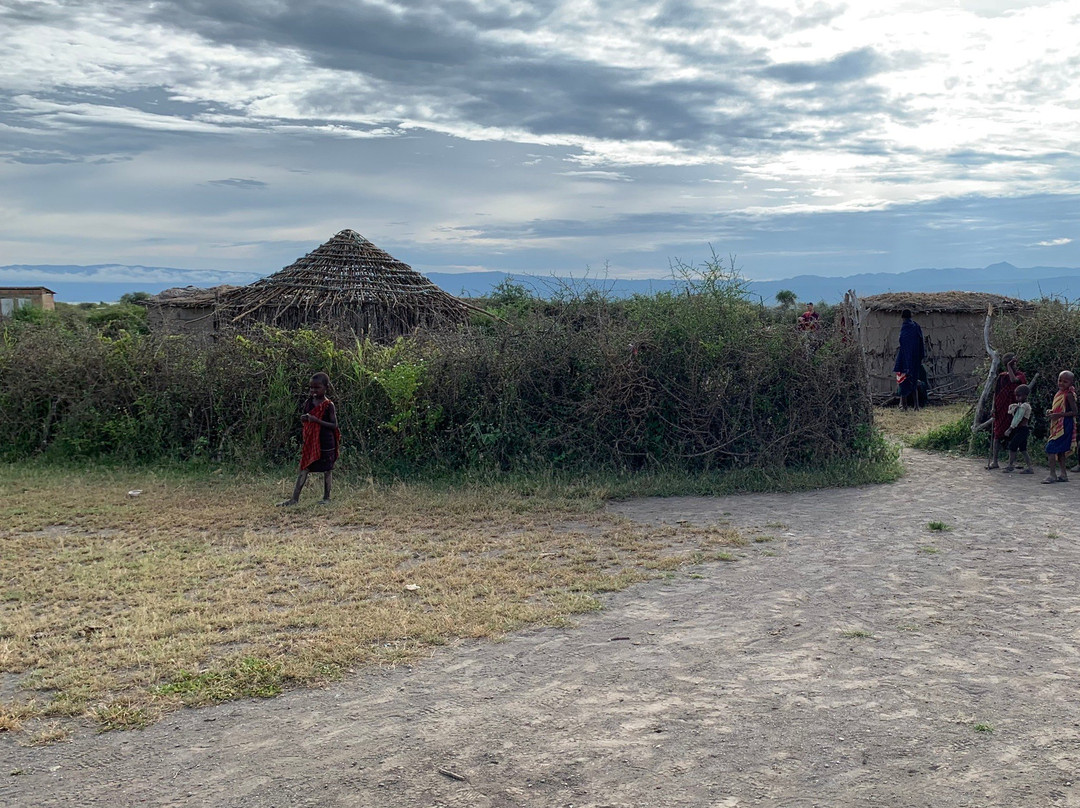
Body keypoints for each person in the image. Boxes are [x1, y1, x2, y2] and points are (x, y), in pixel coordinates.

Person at [279, 372, 341, 505]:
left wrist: (316, 420)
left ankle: (326, 498)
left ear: (326, 387)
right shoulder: (309, 402)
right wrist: (305, 419)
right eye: (311, 388)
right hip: (312, 441)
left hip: (326, 442)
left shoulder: (328, 405)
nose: (313, 391)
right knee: (305, 467)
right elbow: (306, 418)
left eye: (317, 388)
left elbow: (334, 425)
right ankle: (294, 499)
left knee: (327, 470)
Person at [987, 353, 1027, 470]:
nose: (1015, 366)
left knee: (1014, 435)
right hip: (1001, 409)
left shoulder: (1020, 376)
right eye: (1012, 364)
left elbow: (1013, 380)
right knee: (997, 435)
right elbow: (996, 393)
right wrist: (993, 407)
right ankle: (995, 461)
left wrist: (1009, 366)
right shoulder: (1001, 377)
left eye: (1014, 364)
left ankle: (1012, 462)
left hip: (1015, 410)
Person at [1043, 370, 1076, 484]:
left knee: (1050, 448)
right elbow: (1059, 408)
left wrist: (1059, 415)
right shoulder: (1060, 393)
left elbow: (1075, 412)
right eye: (1060, 380)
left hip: (1065, 425)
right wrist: (1052, 412)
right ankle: (1063, 474)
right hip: (1058, 424)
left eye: (1065, 382)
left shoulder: (1069, 395)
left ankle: (1052, 475)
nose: (1061, 383)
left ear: (1071, 383)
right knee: (1060, 451)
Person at [893, 309, 924, 410]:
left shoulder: (905, 327)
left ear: (903, 317)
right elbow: (921, 342)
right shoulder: (916, 326)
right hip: (915, 358)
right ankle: (916, 406)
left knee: (903, 381)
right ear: (911, 316)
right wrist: (920, 356)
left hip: (904, 358)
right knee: (914, 381)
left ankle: (904, 406)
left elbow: (902, 340)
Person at [1001, 384, 1033, 473]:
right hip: (1021, 429)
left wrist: (1010, 428)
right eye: (1016, 396)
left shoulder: (1024, 406)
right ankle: (1030, 467)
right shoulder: (1021, 405)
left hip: (1022, 429)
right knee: (1023, 449)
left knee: (1012, 446)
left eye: (1019, 396)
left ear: (1025, 396)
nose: (1017, 398)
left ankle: (1010, 465)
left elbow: (1017, 418)